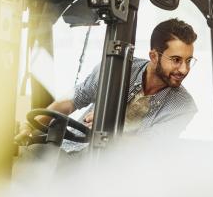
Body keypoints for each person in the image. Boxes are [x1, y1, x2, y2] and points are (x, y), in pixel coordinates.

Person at [16, 18, 198, 148]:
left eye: (189, 60)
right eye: (176, 60)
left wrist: (109, 129)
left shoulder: (183, 106)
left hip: (114, 177)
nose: (184, 69)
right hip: (71, 151)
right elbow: (74, 99)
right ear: (154, 56)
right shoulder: (118, 67)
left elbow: (150, 146)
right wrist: (29, 127)